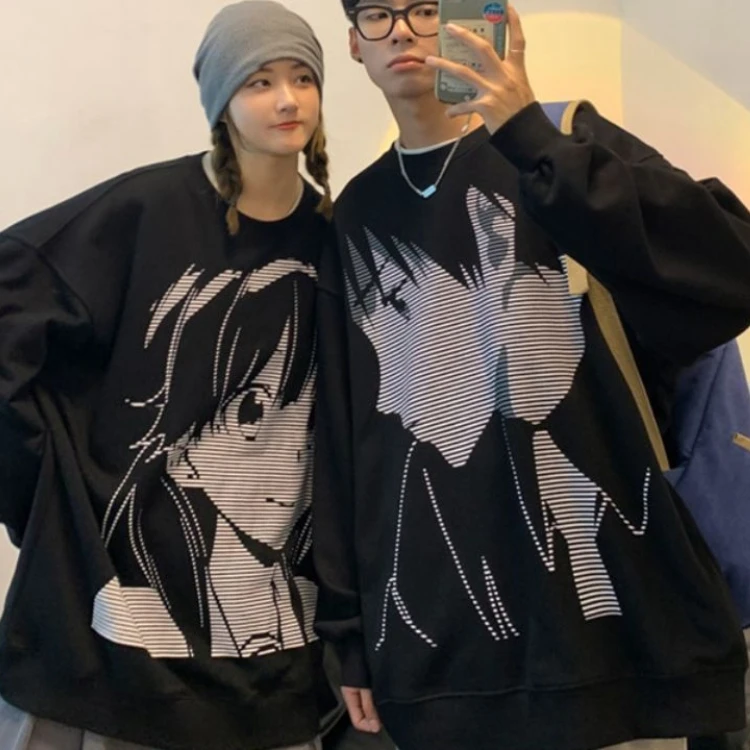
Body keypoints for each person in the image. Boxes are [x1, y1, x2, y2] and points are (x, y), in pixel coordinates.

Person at [313, 2, 750, 750]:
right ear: (355, 43)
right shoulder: (356, 214)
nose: (404, 31)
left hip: (618, 653)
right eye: (379, 13)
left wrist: (527, 134)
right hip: (444, 663)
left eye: (425, 8)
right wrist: (350, 633)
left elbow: (731, 266)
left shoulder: (559, 145)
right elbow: (347, 440)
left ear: (473, 20)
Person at [0, 2, 336, 748]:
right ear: (220, 101)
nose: (287, 99)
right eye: (258, 81)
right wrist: (44, 494)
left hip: (274, 675)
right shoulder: (145, 210)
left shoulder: (335, 239)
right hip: (106, 660)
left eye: (303, 78)